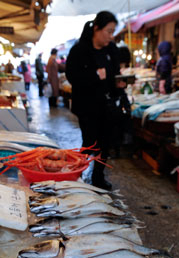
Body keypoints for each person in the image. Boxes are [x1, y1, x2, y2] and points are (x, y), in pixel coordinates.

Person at [66, 11, 127, 190]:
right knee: (90, 142)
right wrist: (94, 76)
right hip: (86, 106)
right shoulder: (79, 50)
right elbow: (72, 77)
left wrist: (120, 83)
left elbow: (114, 75)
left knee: (105, 143)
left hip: (107, 105)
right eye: (108, 31)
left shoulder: (111, 50)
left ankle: (98, 177)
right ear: (97, 29)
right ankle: (77, 174)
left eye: (113, 31)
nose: (111, 35)